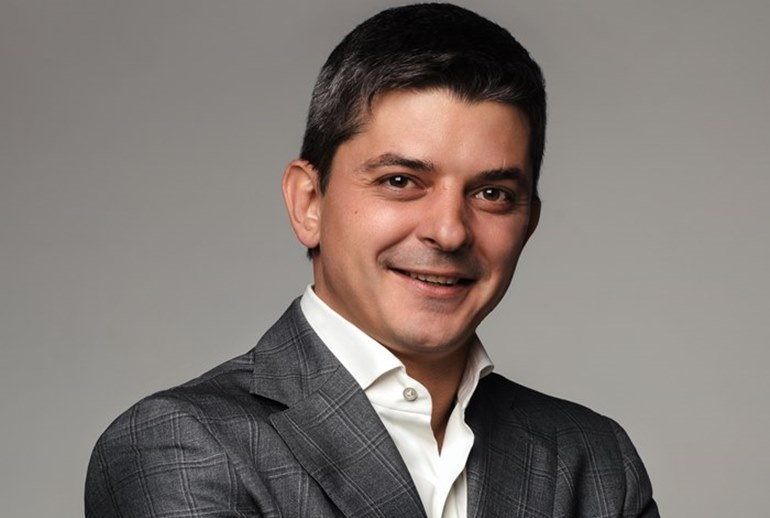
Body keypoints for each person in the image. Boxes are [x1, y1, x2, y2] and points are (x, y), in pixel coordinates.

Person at [85, 4, 659, 517]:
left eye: (492, 194)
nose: (449, 231)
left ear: (528, 222)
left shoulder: (594, 461)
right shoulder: (183, 444)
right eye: (401, 180)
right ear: (309, 203)